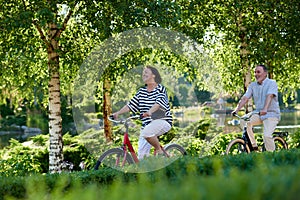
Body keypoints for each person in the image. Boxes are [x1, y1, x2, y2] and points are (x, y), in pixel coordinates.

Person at [112, 65, 173, 159]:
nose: (143, 75)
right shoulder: (141, 92)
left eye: (146, 73)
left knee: (147, 133)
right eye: (143, 73)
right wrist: (118, 113)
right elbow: (131, 105)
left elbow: (158, 103)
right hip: (147, 125)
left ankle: (159, 150)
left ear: (153, 75)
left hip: (162, 121)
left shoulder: (160, 88)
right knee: (142, 157)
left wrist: (150, 111)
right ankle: (157, 167)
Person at [232, 65, 280, 152]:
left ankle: (272, 155)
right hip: (259, 113)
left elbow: (270, 96)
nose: (256, 74)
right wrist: (237, 109)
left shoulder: (272, 83)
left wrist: (265, 109)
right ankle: (253, 146)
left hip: (271, 114)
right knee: (244, 120)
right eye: (255, 72)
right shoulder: (252, 85)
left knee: (267, 135)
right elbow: (245, 98)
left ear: (265, 73)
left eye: (258, 72)